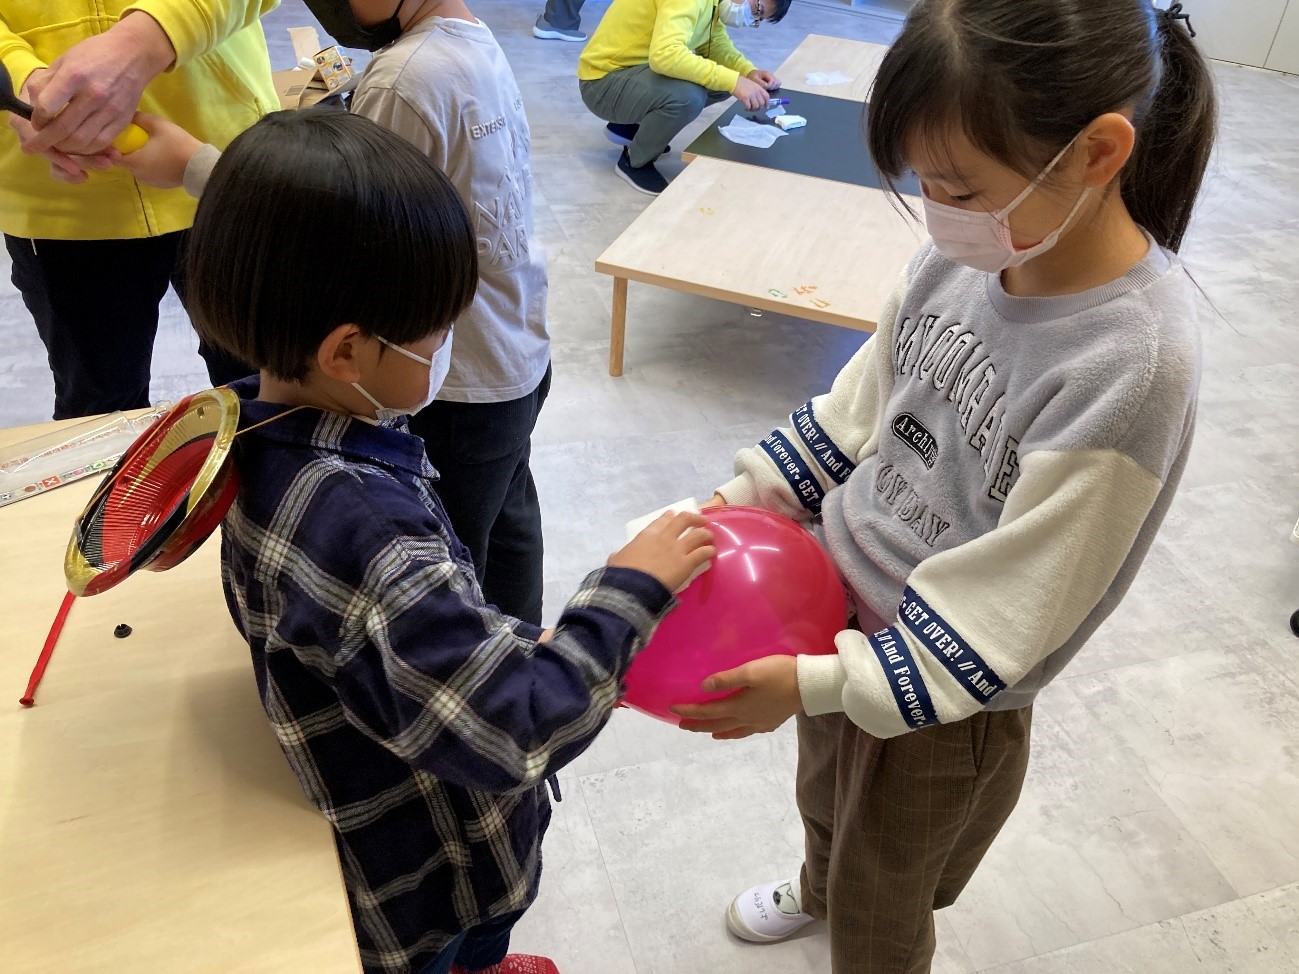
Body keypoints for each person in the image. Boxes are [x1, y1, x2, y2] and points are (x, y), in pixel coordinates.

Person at [667, 1, 1217, 970]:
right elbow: (861, 402)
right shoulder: (976, 245)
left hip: (940, 696)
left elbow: (1011, 606)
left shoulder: (1133, 360)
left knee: (888, 901)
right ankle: (818, 880)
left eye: (958, 186)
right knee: (823, 798)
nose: (938, 211)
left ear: (1096, 153)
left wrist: (816, 679)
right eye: (927, 183)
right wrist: (736, 500)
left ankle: (856, 914)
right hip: (835, 616)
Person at [182, 109, 715, 974]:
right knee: (460, 953)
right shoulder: (369, 531)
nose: (445, 346)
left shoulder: (255, 426)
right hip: (432, 884)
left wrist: (495, 646)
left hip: (382, 743)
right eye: (435, 330)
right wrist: (627, 591)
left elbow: (392, 636)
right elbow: (515, 733)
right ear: (350, 351)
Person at [0, 1, 276, 420]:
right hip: (57, 197)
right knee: (100, 415)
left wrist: (148, 38)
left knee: (275, 387)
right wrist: (19, 83)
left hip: (221, 161)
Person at [577, 0, 789, 195]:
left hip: (632, 71)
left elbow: (713, 43)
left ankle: (631, 126)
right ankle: (635, 161)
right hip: (602, 81)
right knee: (688, 97)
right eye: (756, 11)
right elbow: (665, 55)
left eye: (757, 19)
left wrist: (747, 72)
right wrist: (734, 81)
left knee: (726, 81)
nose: (749, 19)